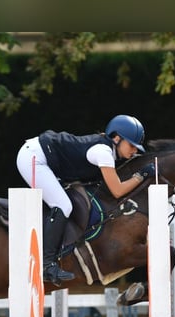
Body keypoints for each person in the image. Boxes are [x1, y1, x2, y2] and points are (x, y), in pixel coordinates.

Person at [16, 114, 154, 285]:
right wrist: (140, 176)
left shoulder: (108, 151)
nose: (134, 150)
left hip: (43, 158)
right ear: (117, 138)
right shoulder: (103, 153)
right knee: (63, 205)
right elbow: (117, 191)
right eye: (131, 145)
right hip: (34, 159)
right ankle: (46, 264)